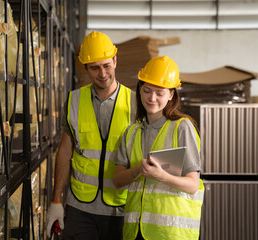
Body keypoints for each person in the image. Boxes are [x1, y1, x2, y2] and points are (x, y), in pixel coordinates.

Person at [46, 31, 136, 240]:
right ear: (85, 68)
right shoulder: (73, 101)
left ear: (115, 60)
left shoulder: (135, 103)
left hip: (120, 206)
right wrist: (56, 200)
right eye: (95, 68)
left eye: (106, 65)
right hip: (80, 208)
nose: (102, 73)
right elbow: (65, 151)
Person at [113, 56, 204, 240]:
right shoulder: (131, 132)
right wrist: (138, 169)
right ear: (139, 90)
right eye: (146, 90)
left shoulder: (182, 127)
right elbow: (117, 180)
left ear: (171, 95)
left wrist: (161, 176)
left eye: (160, 93)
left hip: (169, 233)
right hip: (135, 232)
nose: (152, 98)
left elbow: (193, 185)